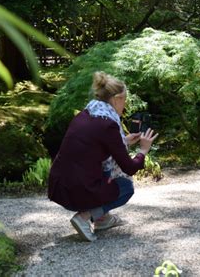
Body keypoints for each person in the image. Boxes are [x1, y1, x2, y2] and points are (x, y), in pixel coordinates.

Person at [48, 71, 158, 242]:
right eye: (124, 100)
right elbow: (128, 167)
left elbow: (95, 147)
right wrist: (143, 150)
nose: (125, 104)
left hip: (59, 184)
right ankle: (85, 217)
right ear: (116, 99)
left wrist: (124, 142)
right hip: (75, 190)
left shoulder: (87, 113)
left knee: (104, 173)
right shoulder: (108, 124)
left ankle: (102, 219)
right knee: (125, 187)